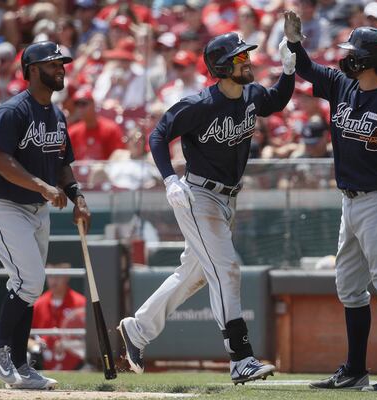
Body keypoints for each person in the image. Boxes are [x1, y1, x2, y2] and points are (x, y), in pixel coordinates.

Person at [117, 31, 295, 385]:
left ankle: (137, 330)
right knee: (227, 270)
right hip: (198, 197)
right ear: (222, 66)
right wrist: (170, 179)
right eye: (240, 58)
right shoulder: (200, 104)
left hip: (227, 198)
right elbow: (158, 135)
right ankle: (241, 357)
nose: (247, 62)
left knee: (196, 273)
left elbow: (275, 101)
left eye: (246, 56)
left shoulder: (250, 94)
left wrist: (289, 68)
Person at [283, 11, 377, 392]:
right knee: (349, 286)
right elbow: (308, 69)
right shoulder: (341, 85)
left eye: (353, 52)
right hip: (349, 202)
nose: (346, 58)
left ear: (370, 59)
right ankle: (355, 370)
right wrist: (295, 44)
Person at [0, 41, 91, 390]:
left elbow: (63, 165)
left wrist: (77, 196)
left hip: (38, 210)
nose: (61, 68)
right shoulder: (13, 111)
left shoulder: (57, 115)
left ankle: (22, 365)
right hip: (5, 206)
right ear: (30, 69)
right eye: (52, 63)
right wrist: (41, 185)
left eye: (62, 63)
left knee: (26, 285)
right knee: (30, 282)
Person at [32, 263, 86, 370]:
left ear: (67, 277)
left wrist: (68, 343)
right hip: (42, 364)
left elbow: (90, 341)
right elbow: (26, 337)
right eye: (50, 276)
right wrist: (35, 345)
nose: (53, 280)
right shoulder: (38, 304)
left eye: (58, 276)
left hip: (76, 365)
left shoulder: (81, 303)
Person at [68, 87, 125, 160]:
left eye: (83, 104)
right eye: (77, 104)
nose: (80, 108)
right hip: (78, 171)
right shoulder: (73, 132)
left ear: (93, 104)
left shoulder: (111, 129)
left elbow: (119, 159)